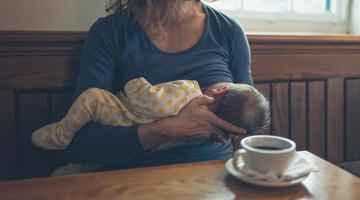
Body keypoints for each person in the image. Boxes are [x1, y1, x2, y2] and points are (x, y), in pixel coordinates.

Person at [61, 0, 253, 171]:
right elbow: (79, 145)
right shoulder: (110, 32)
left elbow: (248, 126)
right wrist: (168, 129)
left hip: (215, 177)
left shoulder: (228, 30)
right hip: (132, 179)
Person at [32, 77, 270, 151]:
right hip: (141, 151)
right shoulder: (203, 134)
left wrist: (135, 83)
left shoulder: (188, 91)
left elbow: (144, 100)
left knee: (92, 98)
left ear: (219, 91)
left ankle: (61, 134)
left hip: (121, 116)